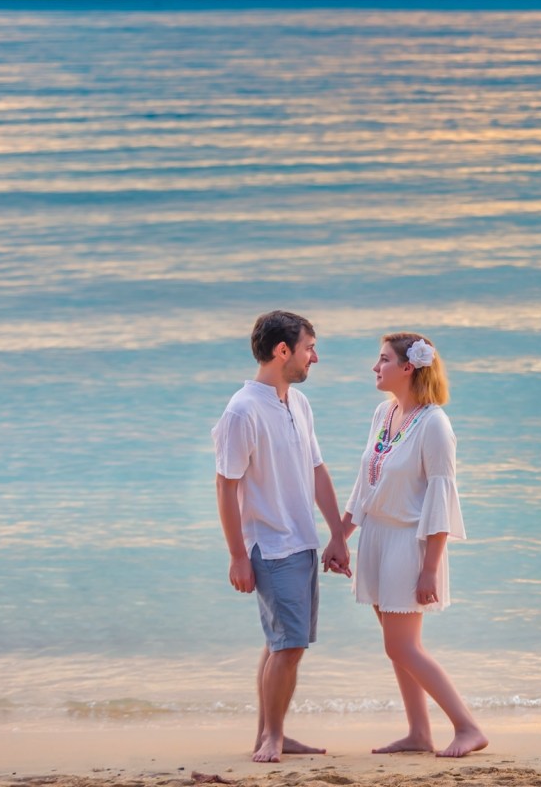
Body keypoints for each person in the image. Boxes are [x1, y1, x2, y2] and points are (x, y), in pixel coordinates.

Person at [329, 332, 488, 758]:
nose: (374, 366)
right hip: (376, 538)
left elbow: (441, 497)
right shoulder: (384, 412)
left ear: (407, 368)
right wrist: (340, 537)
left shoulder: (435, 424)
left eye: (383, 359)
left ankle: (468, 727)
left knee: (402, 645)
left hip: (409, 542)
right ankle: (419, 733)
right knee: (396, 646)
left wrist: (430, 568)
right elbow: (365, 486)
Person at [214, 310, 352, 763]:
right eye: (309, 348)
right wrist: (238, 556)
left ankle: (269, 733)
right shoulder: (242, 411)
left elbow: (317, 471)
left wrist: (337, 535)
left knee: (282, 643)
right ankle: (273, 737)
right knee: (289, 646)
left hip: (302, 541)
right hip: (271, 546)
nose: (315, 357)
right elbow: (226, 486)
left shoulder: (298, 403)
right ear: (282, 351)